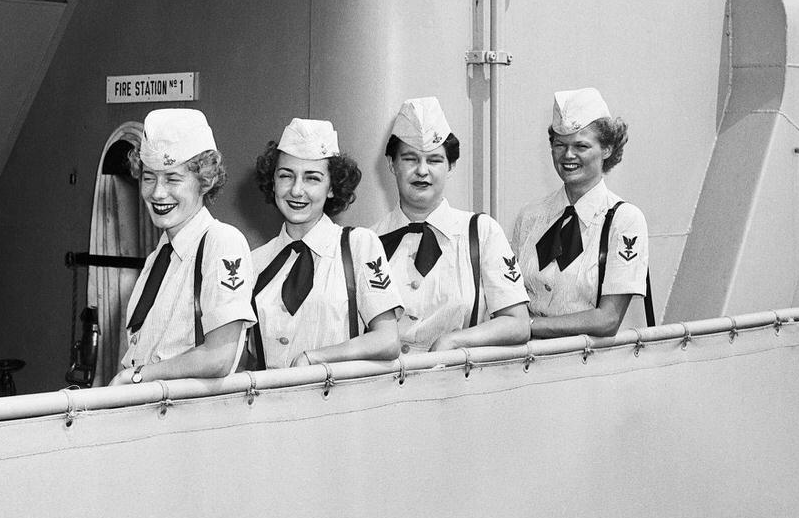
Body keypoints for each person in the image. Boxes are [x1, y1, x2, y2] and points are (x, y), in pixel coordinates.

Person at [370, 97, 530, 354]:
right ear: (391, 164)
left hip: (458, 384)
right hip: (382, 388)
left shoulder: (481, 232)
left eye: (434, 160)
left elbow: (518, 324)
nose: (422, 171)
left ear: (451, 166)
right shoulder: (368, 241)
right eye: (410, 159)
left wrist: (455, 341)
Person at [109, 109, 255, 385]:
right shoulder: (158, 258)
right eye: (149, 178)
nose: (158, 193)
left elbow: (220, 357)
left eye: (173, 179)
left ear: (204, 181)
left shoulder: (221, 242)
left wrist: (138, 376)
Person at [249, 118, 402, 369]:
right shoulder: (255, 262)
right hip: (271, 406)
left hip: (339, 402)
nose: (296, 190)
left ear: (332, 187)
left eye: (312, 178)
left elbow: (387, 341)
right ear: (273, 182)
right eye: (286, 176)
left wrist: (316, 358)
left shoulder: (358, 246)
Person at [511, 88, 653, 339]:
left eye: (581, 146)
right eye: (559, 145)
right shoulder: (530, 217)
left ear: (607, 148)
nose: (568, 156)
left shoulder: (624, 220)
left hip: (586, 367)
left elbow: (607, 319)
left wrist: (526, 327)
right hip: (527, 364)